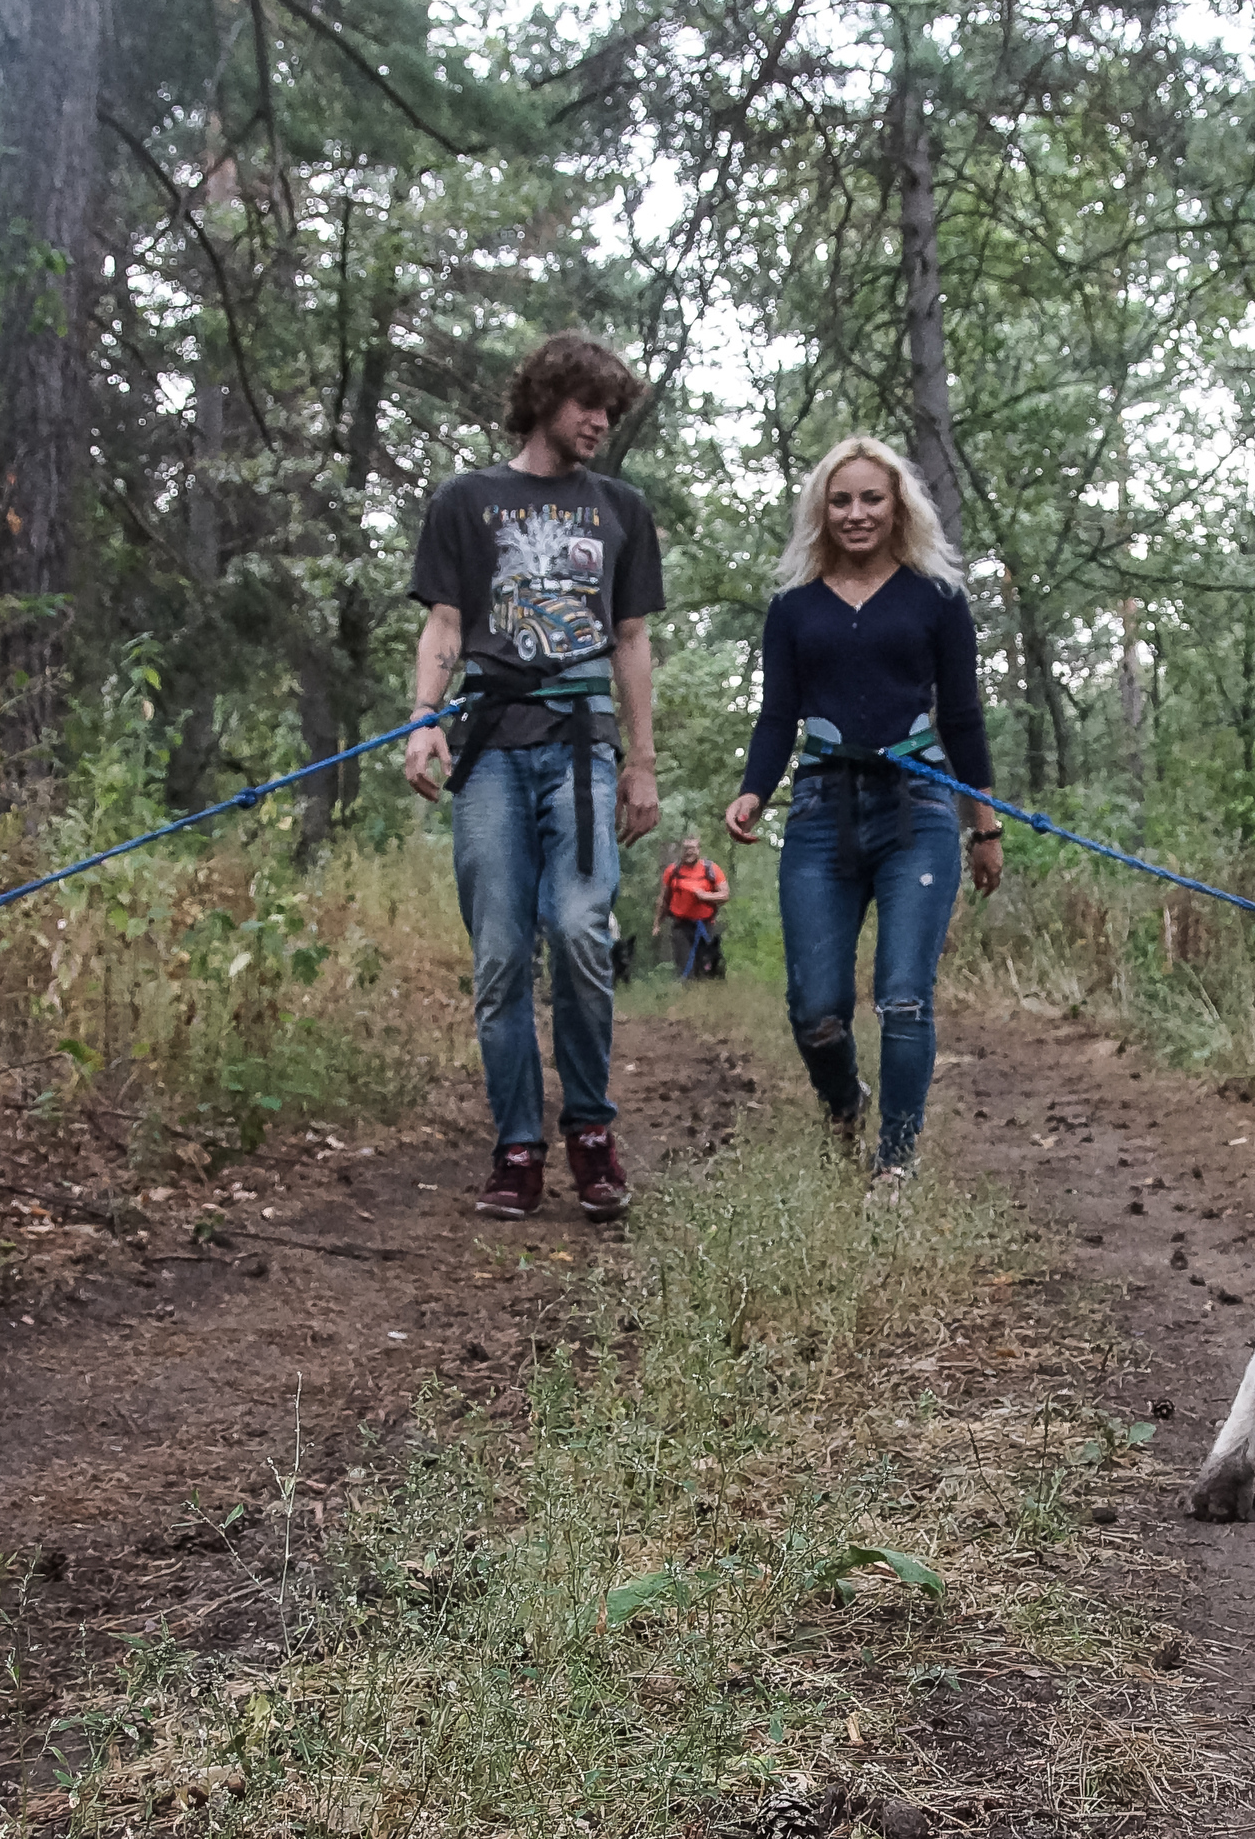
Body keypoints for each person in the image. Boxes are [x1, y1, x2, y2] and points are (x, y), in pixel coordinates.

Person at [403, 333, 664, 1221]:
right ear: (545, 399)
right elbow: (443, 624)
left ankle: (590, 1129)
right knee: (503, 952)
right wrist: (422, 721)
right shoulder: (467, 501)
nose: (599, 422)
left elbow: (632, 641)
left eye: (609, 410)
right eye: (587, 404)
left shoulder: (622, 507)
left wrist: (641, 763)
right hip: (489, 753)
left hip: (584, 746)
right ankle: (518, 1144)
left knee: (583, 927)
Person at [724, 436, 1003, 1179]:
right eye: (840, 499)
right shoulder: (792, 608)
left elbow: (965, 718)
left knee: (904, 997)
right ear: (821, 510)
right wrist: (754, 788)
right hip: (819, 811)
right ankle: (846, 1101)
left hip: (917, 808)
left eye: (871, 498)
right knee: (815, 1009)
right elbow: (776, 715)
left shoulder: (937, 600)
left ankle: (895, 1164)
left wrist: (986, 826)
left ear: (898, 506)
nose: (856, 513)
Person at [660, 834, 731, 980]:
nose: (688, 851)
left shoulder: (711, 869)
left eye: (692, 848)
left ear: (699, 849)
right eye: (685, 848)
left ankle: (709, 997)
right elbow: (663, 900)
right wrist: (657, 923)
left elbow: (725, 895)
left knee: (707, 965)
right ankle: (688, 997)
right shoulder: (672, 871)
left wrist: (706, 896)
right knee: (685, 967)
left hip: (705, 925)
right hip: (681, 926)